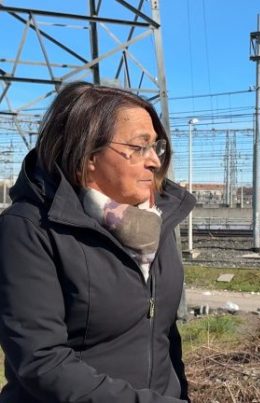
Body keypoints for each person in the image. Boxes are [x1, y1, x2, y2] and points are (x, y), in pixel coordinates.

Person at [0, 82, 195, 402]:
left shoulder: (154, 222)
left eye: (156, 147)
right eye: (139, 147)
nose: (155, 161)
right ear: (89, 155)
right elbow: (42, 362)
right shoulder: (30, 228)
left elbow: (163, 335)